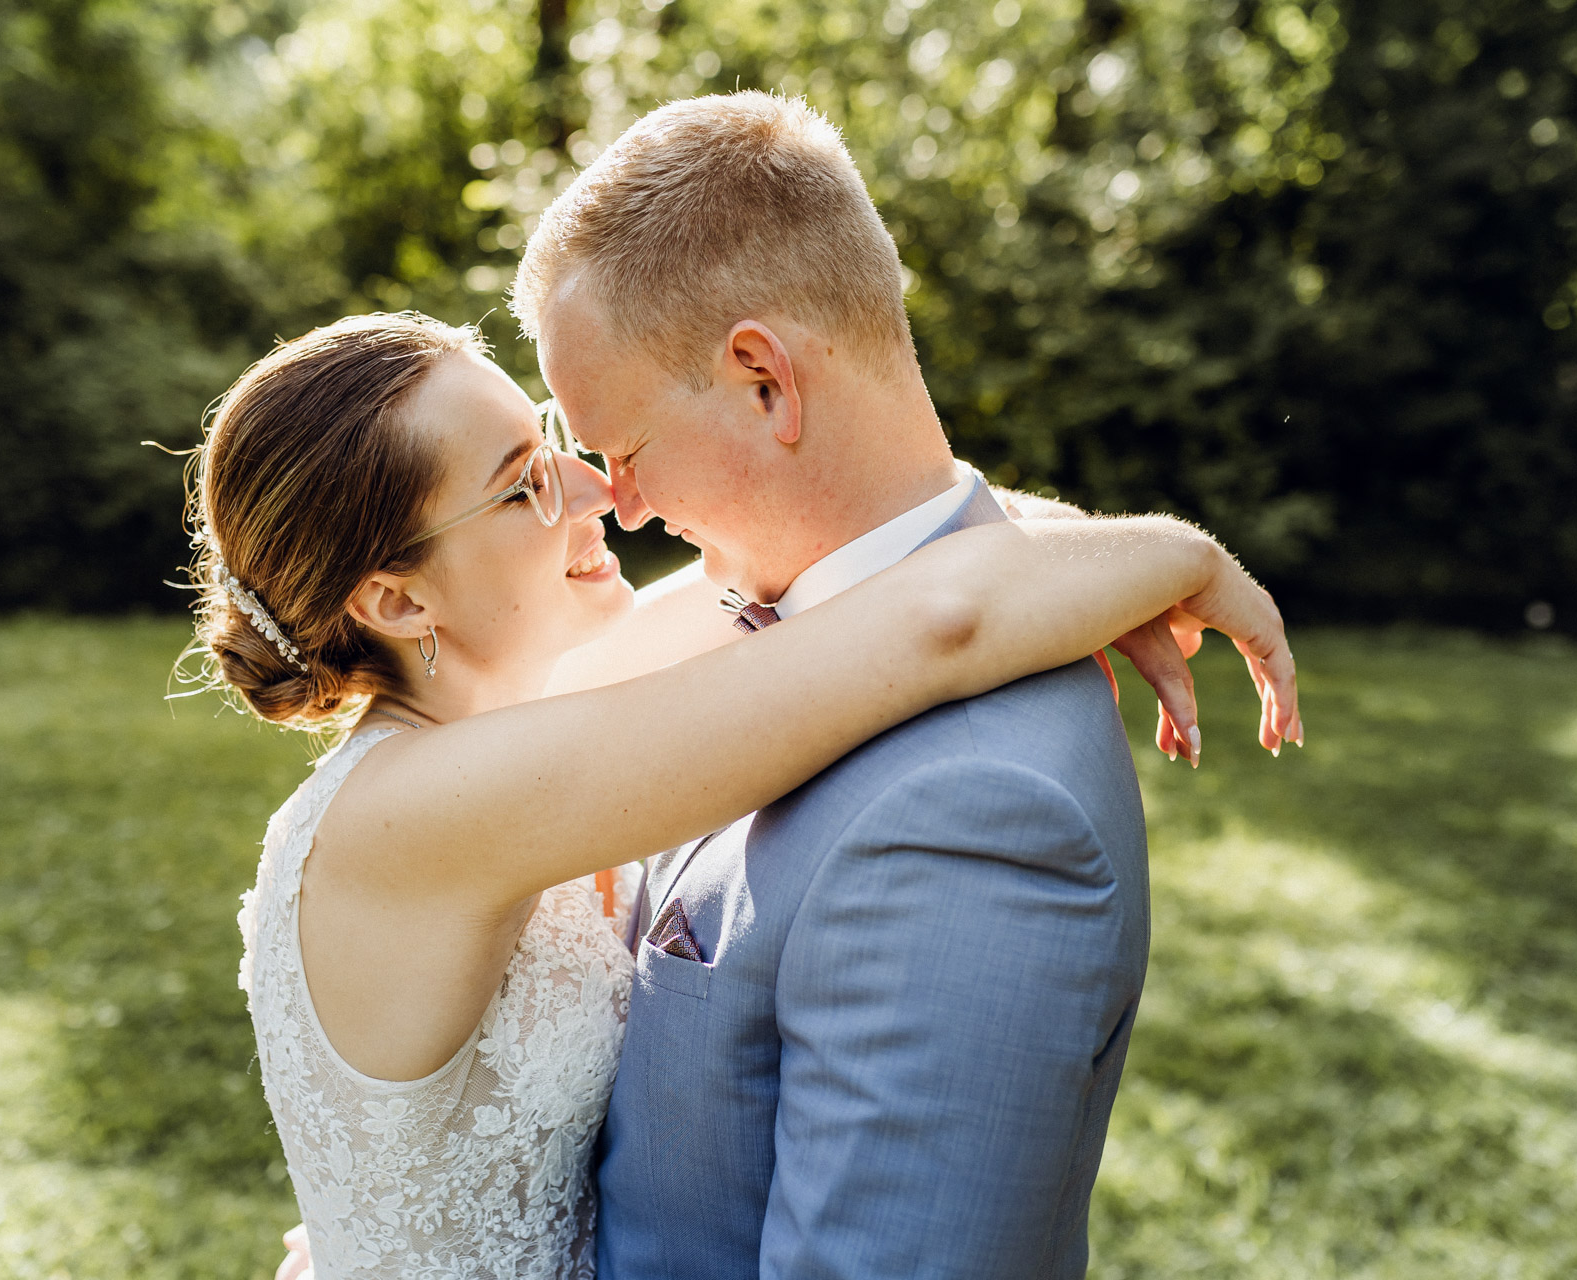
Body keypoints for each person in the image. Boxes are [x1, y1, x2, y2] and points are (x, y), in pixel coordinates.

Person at [197, 313, 1295, 1273]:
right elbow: (935, 624)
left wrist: (1089, 555)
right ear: (395, 598)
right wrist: (1187, 557)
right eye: (525, 484)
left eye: (549, 439)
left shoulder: (506, 721)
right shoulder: (426, 809)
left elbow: (852, 562)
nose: (596, 491)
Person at [498, 92, 1305, 1280]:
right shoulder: (768, 611)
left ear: (764, 379)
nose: (615, 505)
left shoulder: (973, 813)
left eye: (619, 452)